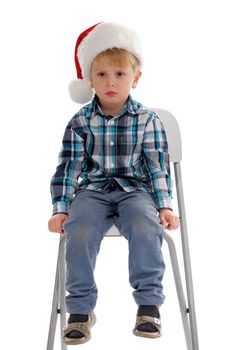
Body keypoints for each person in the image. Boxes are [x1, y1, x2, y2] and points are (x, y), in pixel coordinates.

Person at [48, 22, 180, 345]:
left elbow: (157, 167)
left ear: (135, 78)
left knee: (146, 226)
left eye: (120, 75)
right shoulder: (80, 122)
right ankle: (79, 309)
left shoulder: (147, 120)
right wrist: (61, 208)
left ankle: (149, 305)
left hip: (135, 191)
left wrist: (164, 204)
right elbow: (68, 167)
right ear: (90, 81)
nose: (111, 83)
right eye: (102, 75)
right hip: (92, 192)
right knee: (77, 230)